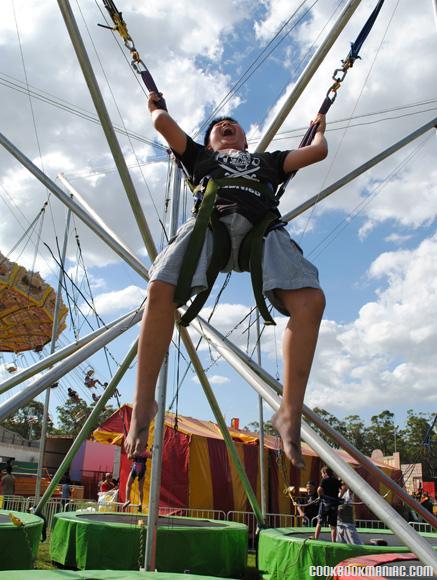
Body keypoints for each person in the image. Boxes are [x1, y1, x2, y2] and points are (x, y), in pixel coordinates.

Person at [124, 91, 327, 468]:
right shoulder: (201, 157)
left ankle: (289, 410)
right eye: (217, 127)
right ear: (208, 142)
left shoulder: (269, 161)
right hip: (209, 226)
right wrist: (155, 106)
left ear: (246, 140)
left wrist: (320, 128)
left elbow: (317, 153)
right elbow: (163, 126)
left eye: (231, 125)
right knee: (159, 288)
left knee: (310, 300)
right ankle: (144, 400)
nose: (224, 125)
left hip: (262, 230)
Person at [313, 466, 342, 542]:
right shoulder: (336, 481)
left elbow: (319, 489)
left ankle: (316, 538)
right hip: (334, 503)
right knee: (333, 524)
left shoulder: (324, 480)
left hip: (325, 502)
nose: (322, 475)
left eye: (322, 473)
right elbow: (341, 489)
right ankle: (333, 541)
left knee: (320, 521)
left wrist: (320, 496)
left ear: (325, 473)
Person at [123, 447, 152, 512]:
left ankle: (127, 499)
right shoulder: (145, 453)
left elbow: (129, 457)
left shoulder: (136, 452)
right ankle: (140, 503)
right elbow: (152, 456)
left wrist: (130, 451)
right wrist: (152, 450)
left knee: (128, 484)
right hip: (142, 468)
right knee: (140, 489)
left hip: (135, 467)